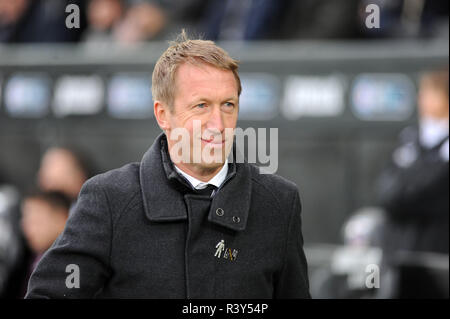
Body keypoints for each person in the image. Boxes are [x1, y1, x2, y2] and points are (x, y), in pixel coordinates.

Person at [25, 31, 310, 298]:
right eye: (201, 106)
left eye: (228, 105)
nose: (218, 124)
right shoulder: (109, 200)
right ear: (163, 115)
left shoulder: (278, 204)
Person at [377, 67, 449, 256]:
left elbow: (432, 193)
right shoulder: (409, 138)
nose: (421, 98)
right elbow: (387, 192)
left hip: (438, 254)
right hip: (399, 252)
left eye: (429, 92)